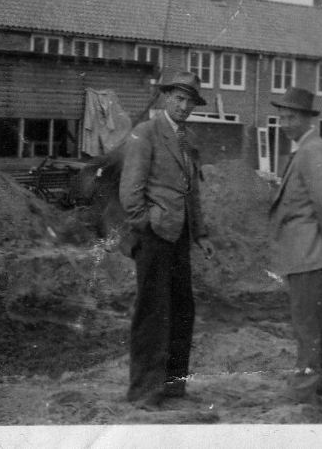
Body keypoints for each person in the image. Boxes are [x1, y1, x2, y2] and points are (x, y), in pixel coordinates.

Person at [118, 71, 214, 410]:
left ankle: (174, 388)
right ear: (165, 98)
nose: (184, 106)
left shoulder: (186, 140)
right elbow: (130, 191)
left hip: (180, 238)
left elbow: (192, 193)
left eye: (190, 101)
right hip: (155, 237)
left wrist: (200, 233)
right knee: (152, 313)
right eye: (179, 98)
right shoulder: (145, 133)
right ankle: (145, 391)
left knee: (181, 311)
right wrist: (148, 225)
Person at [268, 87, 322, 408]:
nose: (283, 123)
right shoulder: (307, 149)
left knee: (307, 325)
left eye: (290, 117)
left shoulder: (312, 151)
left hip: (308, 252)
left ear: (306, 119)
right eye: (281, 116)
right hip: (308, 252)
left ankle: (303, 389)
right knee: (318, 322)